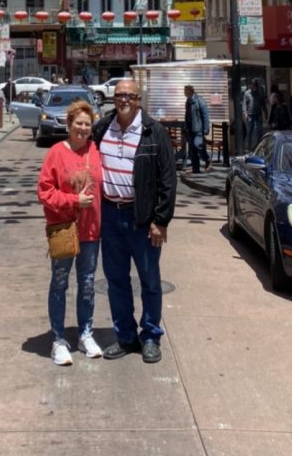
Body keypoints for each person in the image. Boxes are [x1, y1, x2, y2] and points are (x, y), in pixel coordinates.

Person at [92, 78, 177, 364]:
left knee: (150, 280)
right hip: (110, 216)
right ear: (113, 99)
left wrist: (160, 220)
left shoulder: (154, 132)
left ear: (139, 99)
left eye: (129, 95)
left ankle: (151, 336)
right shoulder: (102, 128)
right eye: (119, 95)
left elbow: (167, 179)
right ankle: (126, 336)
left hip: (142, 219)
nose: (123, 100)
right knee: (116, 281)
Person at [37, 100, 103, 366]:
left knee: (87, 284)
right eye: (78, 124)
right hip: (64, 228)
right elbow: (45, 192)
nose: (83, 129)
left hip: (91, 230)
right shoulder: (56, 153)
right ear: (69, 124)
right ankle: (58, 338)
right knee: (60, 282)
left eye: (87, 124)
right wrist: (73, 201)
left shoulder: (97, 150)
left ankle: (85, 333)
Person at [184, 84, 211, 174]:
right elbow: (187, 115)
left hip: (198, 129)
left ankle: (207, 159)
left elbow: (205, 115)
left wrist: (206, 128)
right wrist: (186, 127)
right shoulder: (188, 101)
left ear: (190, 91)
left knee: (197, 144)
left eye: (185, 90)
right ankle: (196, 169)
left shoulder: (200, 100)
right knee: (192, 150)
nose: (184, 92)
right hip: (190, 129)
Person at [243, 78, 268, 151]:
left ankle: (260, 147)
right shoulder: (247, 93)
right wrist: (245, 113)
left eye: (255, 86)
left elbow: (263, 104)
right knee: (249, 131)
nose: (254, 88)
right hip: (250, 115)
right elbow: (244, 104)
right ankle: (249, 147)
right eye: (253, 86)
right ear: (251, 86)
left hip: (258, 114)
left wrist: (266, 113)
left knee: (259, 131)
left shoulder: (260, 93)